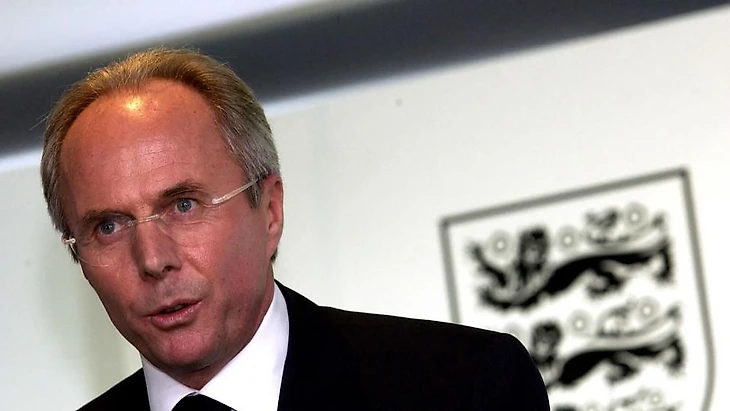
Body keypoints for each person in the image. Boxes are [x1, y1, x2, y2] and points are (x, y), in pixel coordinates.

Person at [41, 48, 550, 411]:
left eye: (183, 206)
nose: (153, 259)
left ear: (270, 211)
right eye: (109, 226)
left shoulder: (464, 388)